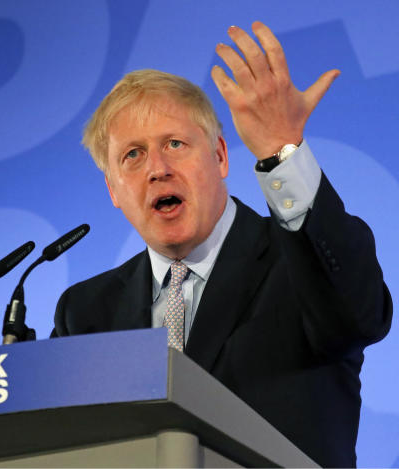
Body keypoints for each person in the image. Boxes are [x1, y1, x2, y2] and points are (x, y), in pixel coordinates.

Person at [54, 22, 390, 467]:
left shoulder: (300, 258)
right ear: (113, 191)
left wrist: (280, 151)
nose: (157, 168)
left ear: (220, 156)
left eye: (175, 143)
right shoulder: (84, 313)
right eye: (132, 155)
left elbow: (360, 319)